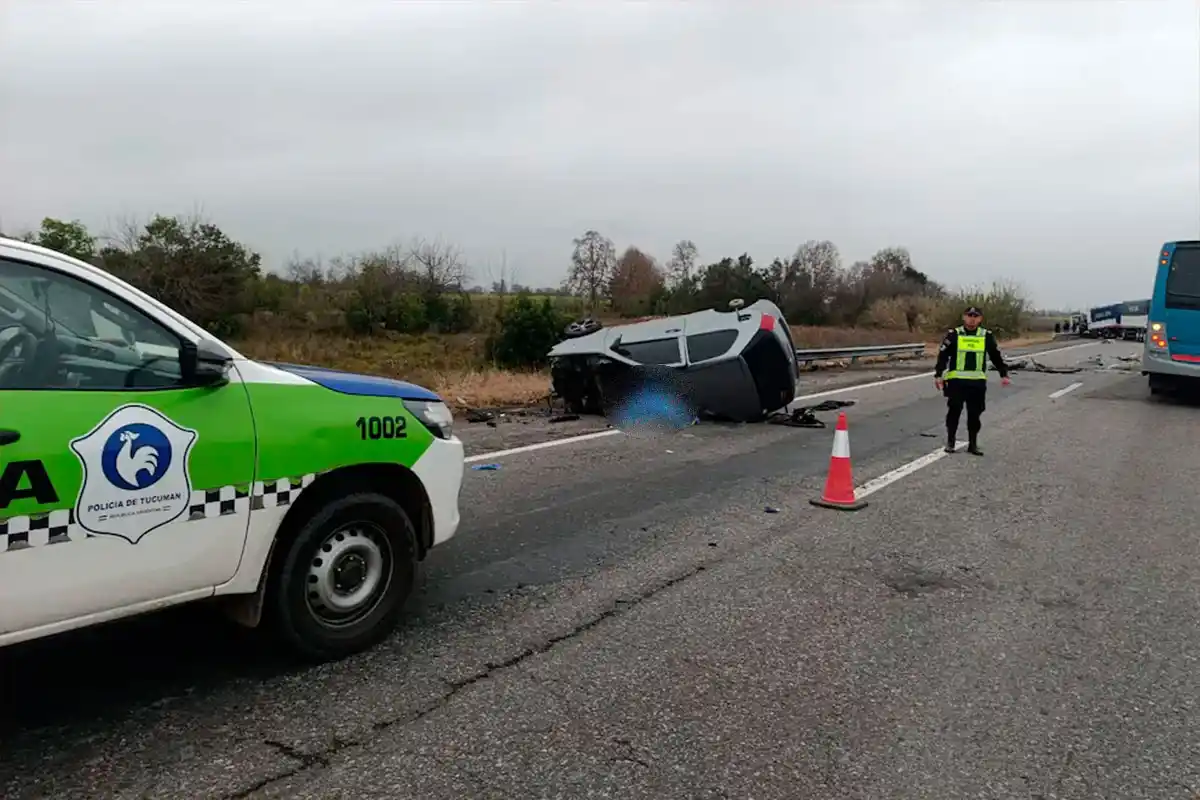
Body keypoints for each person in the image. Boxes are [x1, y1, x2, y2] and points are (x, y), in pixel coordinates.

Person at [933, 306, 1011, 455]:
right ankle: (951, 442)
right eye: (969, 315)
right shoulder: (954, 334)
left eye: (975, 316)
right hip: (956, 382)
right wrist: (938, 374)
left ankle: (973, 444)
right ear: (964, 317)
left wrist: (1003, 373)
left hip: (977, 382)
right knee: (954, 412)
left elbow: (995, 355)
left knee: (975, 414)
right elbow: (943, 356)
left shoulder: (985, 335)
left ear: (980, 319)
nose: (972, 319)